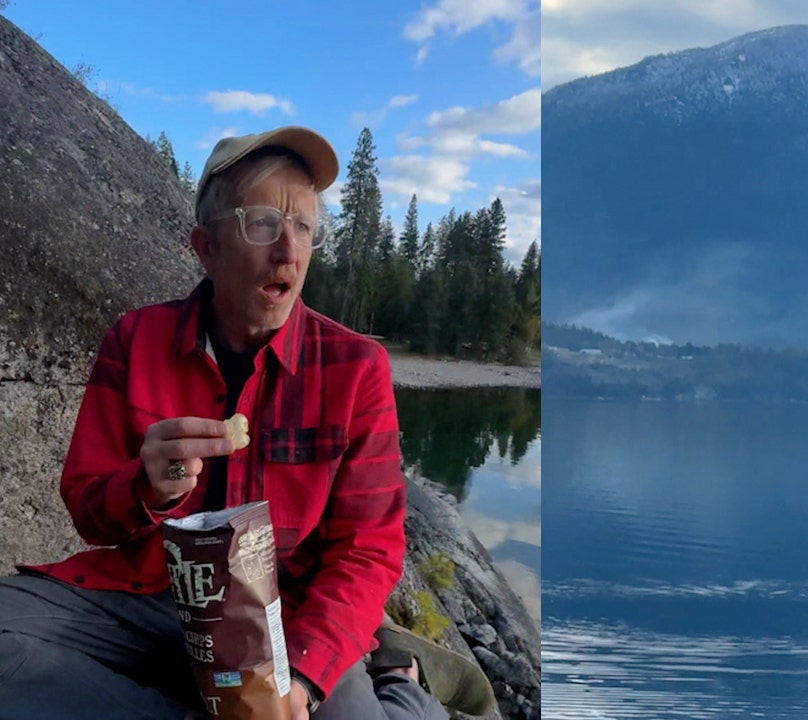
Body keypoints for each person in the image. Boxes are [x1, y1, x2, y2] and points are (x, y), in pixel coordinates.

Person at [0, 126, 495, 719]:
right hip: (148, 595)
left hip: (288, 618)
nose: (289, 250)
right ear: (205, 248)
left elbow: (369, 550)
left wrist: (304, 683)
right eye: (261, 223)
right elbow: (87, 511)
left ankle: (402, 683)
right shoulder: (136, 340)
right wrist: (144, 486)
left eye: (305, 227)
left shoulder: (354, 367)